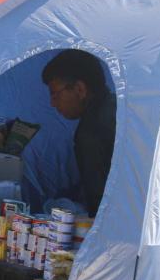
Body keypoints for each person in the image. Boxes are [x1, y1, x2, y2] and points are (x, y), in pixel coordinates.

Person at [41, 49, 116, 217]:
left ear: (80, 89)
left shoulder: (93, 130)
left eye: (55, 94)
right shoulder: (117, 108)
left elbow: (98, 195)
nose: (52, 103)